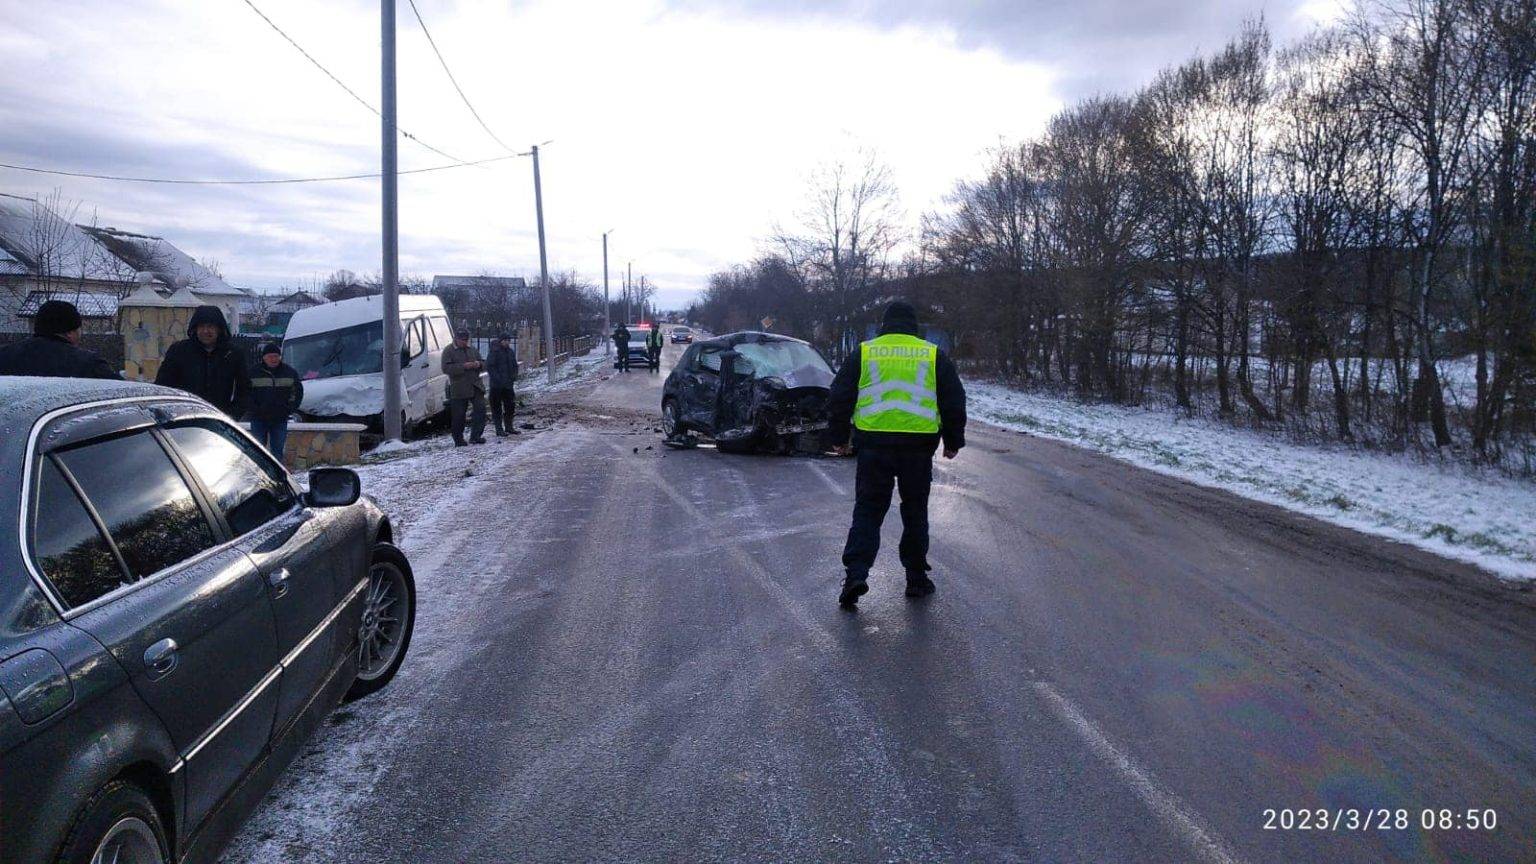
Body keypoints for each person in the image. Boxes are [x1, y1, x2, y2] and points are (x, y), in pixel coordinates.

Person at [825, 301, 966, 609]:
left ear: (884, 324)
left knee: (868, 511)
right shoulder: (932, 354)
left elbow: (840, 395)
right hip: (917, 448)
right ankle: (916, 579)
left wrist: (838, 436)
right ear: (914, 325)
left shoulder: (865, 351)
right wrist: (953, 440)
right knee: (915, 512)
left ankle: (855, 575)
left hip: (874, 446)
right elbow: (954, 400)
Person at [154, 305, 249, 417]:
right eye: (201, 326)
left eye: (210, 326)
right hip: (184, 418)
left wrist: (232, 415)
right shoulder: (179, 351)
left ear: (219, 328)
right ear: (195, 328)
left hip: (218, 419)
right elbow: (163, 385)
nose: (205, 331)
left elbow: (244, 389)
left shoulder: (233, 353)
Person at [0, 299, 121, 380]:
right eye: (79, 329)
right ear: (69, 332)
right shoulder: (87, 364)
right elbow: (120, 392)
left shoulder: (5, 356)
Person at [247, 341, 303, 461]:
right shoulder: (253, 373)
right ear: (264, 358)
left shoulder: (290, 372)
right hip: (258, 419)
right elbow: (246, 393)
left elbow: (297, 393)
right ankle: (258, 475)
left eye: (276, 356)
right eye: (270, 356)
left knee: (277, 451)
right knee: (257, 450)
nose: (274, 359)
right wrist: (255, 409)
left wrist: (288, 409)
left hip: (280, 419)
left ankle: (276, 475)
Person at [442, 330, 488, 446]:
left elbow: (483, 363)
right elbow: (446, 369)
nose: (464, 342)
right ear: (456, 339)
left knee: (480, 409)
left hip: (475, 385)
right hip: (459, 387)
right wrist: (463, 366)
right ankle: (458, 439)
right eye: (462, 340)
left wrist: (479, 364)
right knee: (459, 415)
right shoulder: (449, 351)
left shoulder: (472, 349)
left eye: (466, 340)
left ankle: (476, 436)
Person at [487, 332, 520, 437]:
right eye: (504, 340)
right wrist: (498, 379)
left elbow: (514, 365)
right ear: (500, 341)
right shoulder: (494, 351)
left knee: (510, 406)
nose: (506, 342)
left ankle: (509, 427)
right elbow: (490, 367)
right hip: (496, 386)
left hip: (508, 385)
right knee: (497, 408)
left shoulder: (510, 352)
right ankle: (499, 429)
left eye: (508, 340)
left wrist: (514, 376)